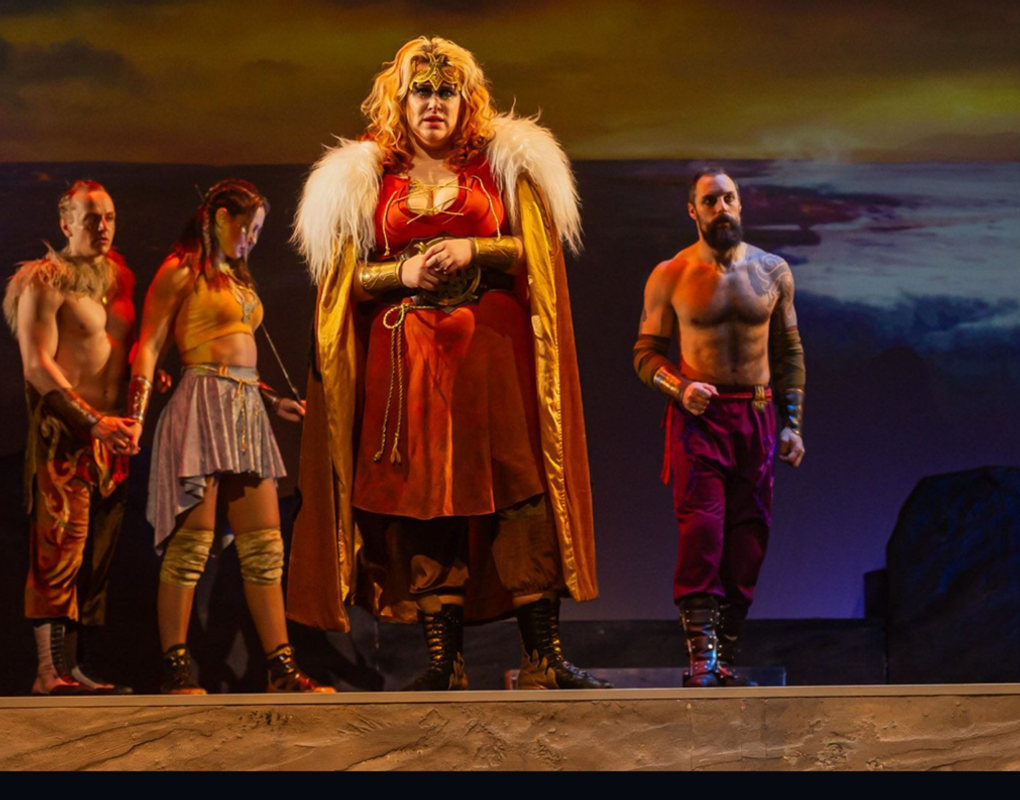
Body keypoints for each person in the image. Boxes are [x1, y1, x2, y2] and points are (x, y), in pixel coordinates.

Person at [288, 36, 610, 691]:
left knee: (520, 497)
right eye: (421, 91)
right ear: (399, 100)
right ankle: (445, 664)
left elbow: (535, 254)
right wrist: (400, 272)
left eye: (446, 91)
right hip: (408, 367)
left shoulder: (500, 166)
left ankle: (543, 659)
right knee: (424, 506)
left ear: (467, 100)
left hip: (491, 359)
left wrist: (475, 248)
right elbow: (344, 283)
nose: (433, 103)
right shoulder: (367, 179)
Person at [127, 179, 333, 695]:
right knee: (190, 548)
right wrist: (135, 416)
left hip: (246, 411)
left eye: (260, 231)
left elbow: (240, 358)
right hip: (200, 407)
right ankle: (175, 669)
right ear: (220, 216)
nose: (253, 240)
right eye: (249, 228)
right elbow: (148, 345)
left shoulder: (237, 279)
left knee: (265, 547)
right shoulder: (182, 270)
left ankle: (281, 670)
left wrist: (273, 400)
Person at [633, 168, 805, 687]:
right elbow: (645, 355)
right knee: (702, 533)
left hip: (756, 415)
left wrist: (793, 424)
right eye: (710, 201)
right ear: (693, 210)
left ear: (740, 203)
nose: (722, 208)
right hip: (700, 421)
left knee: (749, 539)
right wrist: (680, 388)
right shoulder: (671, 274)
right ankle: (700, 663)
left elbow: (789, 351)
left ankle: (724, 658)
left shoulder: (772, 271)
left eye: (729, 198)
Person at [3, 180, 137, 695]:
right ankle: (47, 671)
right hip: (65, 433)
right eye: (91, 218)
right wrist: (91, 420)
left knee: (93, 558)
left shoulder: (117, 279)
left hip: (112, 440)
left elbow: (113, 353)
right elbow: (37, 365)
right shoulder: (44, 279)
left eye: (109, 217)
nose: (102, 227)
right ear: (65, 223)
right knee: (57, 548)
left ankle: (73, 668)